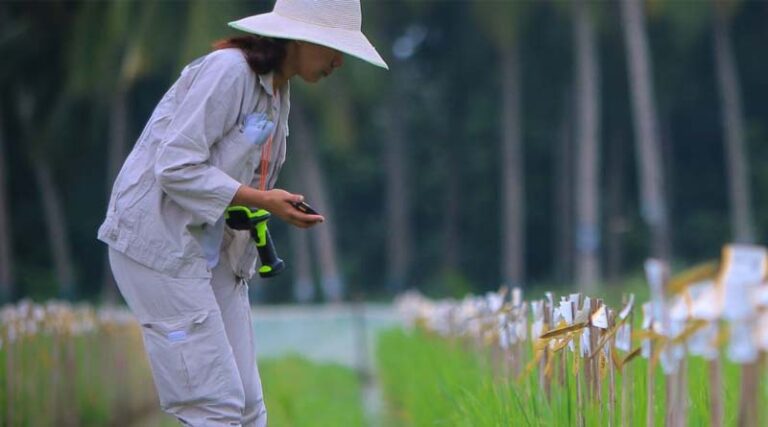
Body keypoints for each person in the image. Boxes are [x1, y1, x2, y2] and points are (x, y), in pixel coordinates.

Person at [97, 0, 387, 425]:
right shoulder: (229, 71)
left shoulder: (277, 92)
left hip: (212, 250)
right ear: (299, 39)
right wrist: (264, 200)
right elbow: (174, 167)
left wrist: (270, 204)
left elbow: (240, 182)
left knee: (248, 404)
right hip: (158, 247)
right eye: (333, 47)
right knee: (214, 404)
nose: (338, 61)